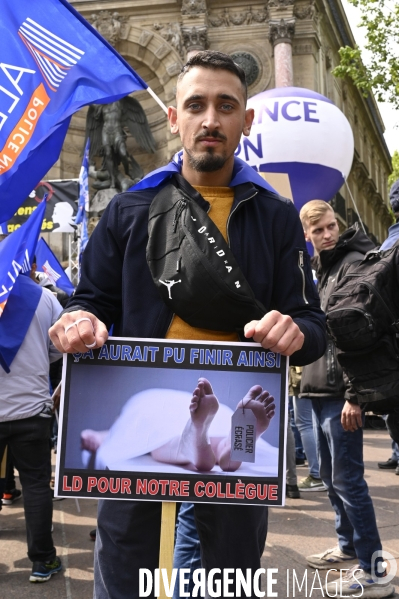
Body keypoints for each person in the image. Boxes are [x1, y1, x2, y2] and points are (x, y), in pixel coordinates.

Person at [49, 51, 326, 599]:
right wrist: (75, 324)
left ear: (246, 122)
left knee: (227, 577)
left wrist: (295, 331)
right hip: (146, 410)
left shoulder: (275, 218)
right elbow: (88, 303)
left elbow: (312, 323)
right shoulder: (128, 211)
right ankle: (195, 436)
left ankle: (210, 435)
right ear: (173, 118)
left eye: (227, 106)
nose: (211, 120)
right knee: (126, 573)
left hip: (236, 419)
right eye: (196, 105)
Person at [298, 200, 393, 599]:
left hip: (341, 392)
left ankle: (375, 574)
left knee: (348, 480)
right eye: (318, 230)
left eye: (331, 226)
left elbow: (360, 336)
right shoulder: (321, 267)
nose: (328, 234)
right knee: (331, 479)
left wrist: (355, 396)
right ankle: (348, 545)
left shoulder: (354, 261)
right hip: (316, 387)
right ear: (308, 235)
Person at [0, 258, 63, 582]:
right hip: (32, 409)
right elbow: (58, 351)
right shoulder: (45, 297)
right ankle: (43, 561)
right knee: (37, 486)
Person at [80, 378, 276, 474]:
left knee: (158, 439)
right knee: (218, 436)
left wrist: (95, 437)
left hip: (149, 408)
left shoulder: (126, 416)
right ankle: (228, 445)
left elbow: (112, 438)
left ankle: (193, 440)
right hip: (206, 411)